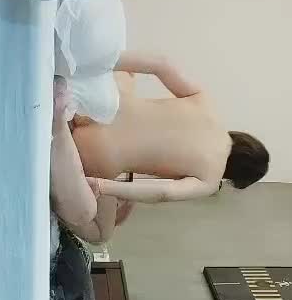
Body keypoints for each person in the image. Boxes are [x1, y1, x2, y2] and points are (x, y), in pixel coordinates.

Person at [50, 53, 269, 244]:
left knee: (127, 76)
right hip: (98, 152)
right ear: (235, 177)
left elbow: (160, 64)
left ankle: (68, 95)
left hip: (100, 105)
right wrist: (103, 186)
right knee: (102, 232)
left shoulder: (206, 104)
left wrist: (103, 60)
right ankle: (55, 193)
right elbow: (164, 192)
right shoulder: (210, 180)